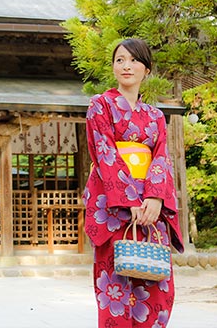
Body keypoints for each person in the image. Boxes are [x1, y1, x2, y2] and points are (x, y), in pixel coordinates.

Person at [82, 38, 184, 328]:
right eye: (119, 60)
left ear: (146, 69)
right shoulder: (100, 105)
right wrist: (129, 201)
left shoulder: (155, 117)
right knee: (114, 288)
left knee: (158, 291)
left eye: (134, 60)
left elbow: (161, 158)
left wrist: (154, 198)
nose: (126, 66)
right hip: (114, 208)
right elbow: (104, 153)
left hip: (152, 210)